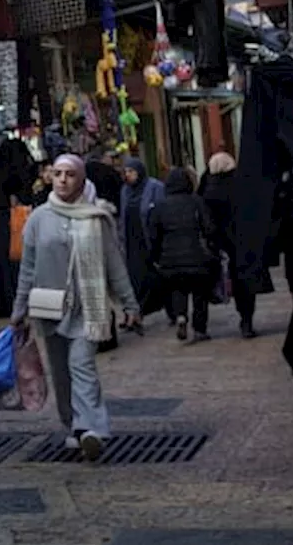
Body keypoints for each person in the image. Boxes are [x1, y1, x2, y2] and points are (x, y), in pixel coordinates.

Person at [12, 154, 140, 461]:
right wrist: (18, 311)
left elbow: (114, 264)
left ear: (81, 179)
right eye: (57, 173)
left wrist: (129, 304)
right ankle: (72, 424)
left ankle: (91, 428)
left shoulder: (97, 218)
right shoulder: (38, 219)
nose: (63, 179)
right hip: (48, 307)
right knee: (60, 372)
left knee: (81, 365)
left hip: (88, 307)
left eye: (70, 174)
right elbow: (27, 269)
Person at [147, 168, 218, 343]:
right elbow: (209, 228)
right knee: (200, 293)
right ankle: (200, 329)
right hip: (198, 257)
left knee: (178, 289)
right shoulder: (197, 202)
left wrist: (156, 257)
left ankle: (180, 317)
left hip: (170, 260)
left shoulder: (160, 206)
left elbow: (153, 235)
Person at [200, 152, 256, 337]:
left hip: (221, 243)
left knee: (226, 278)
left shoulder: (208, 189)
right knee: (245, 281)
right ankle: (246, 319)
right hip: (243, 240)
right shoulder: (242, 184)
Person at [119, 156, 167, 322]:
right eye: (126, 172)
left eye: (131, 171)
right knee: (136, 278)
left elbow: (161, 210)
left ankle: (167, 307)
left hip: (149, 238)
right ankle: (137, 313)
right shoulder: (125, 191)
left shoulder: (155, 187)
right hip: (132, 241)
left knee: (155, 275)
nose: (129, 175)